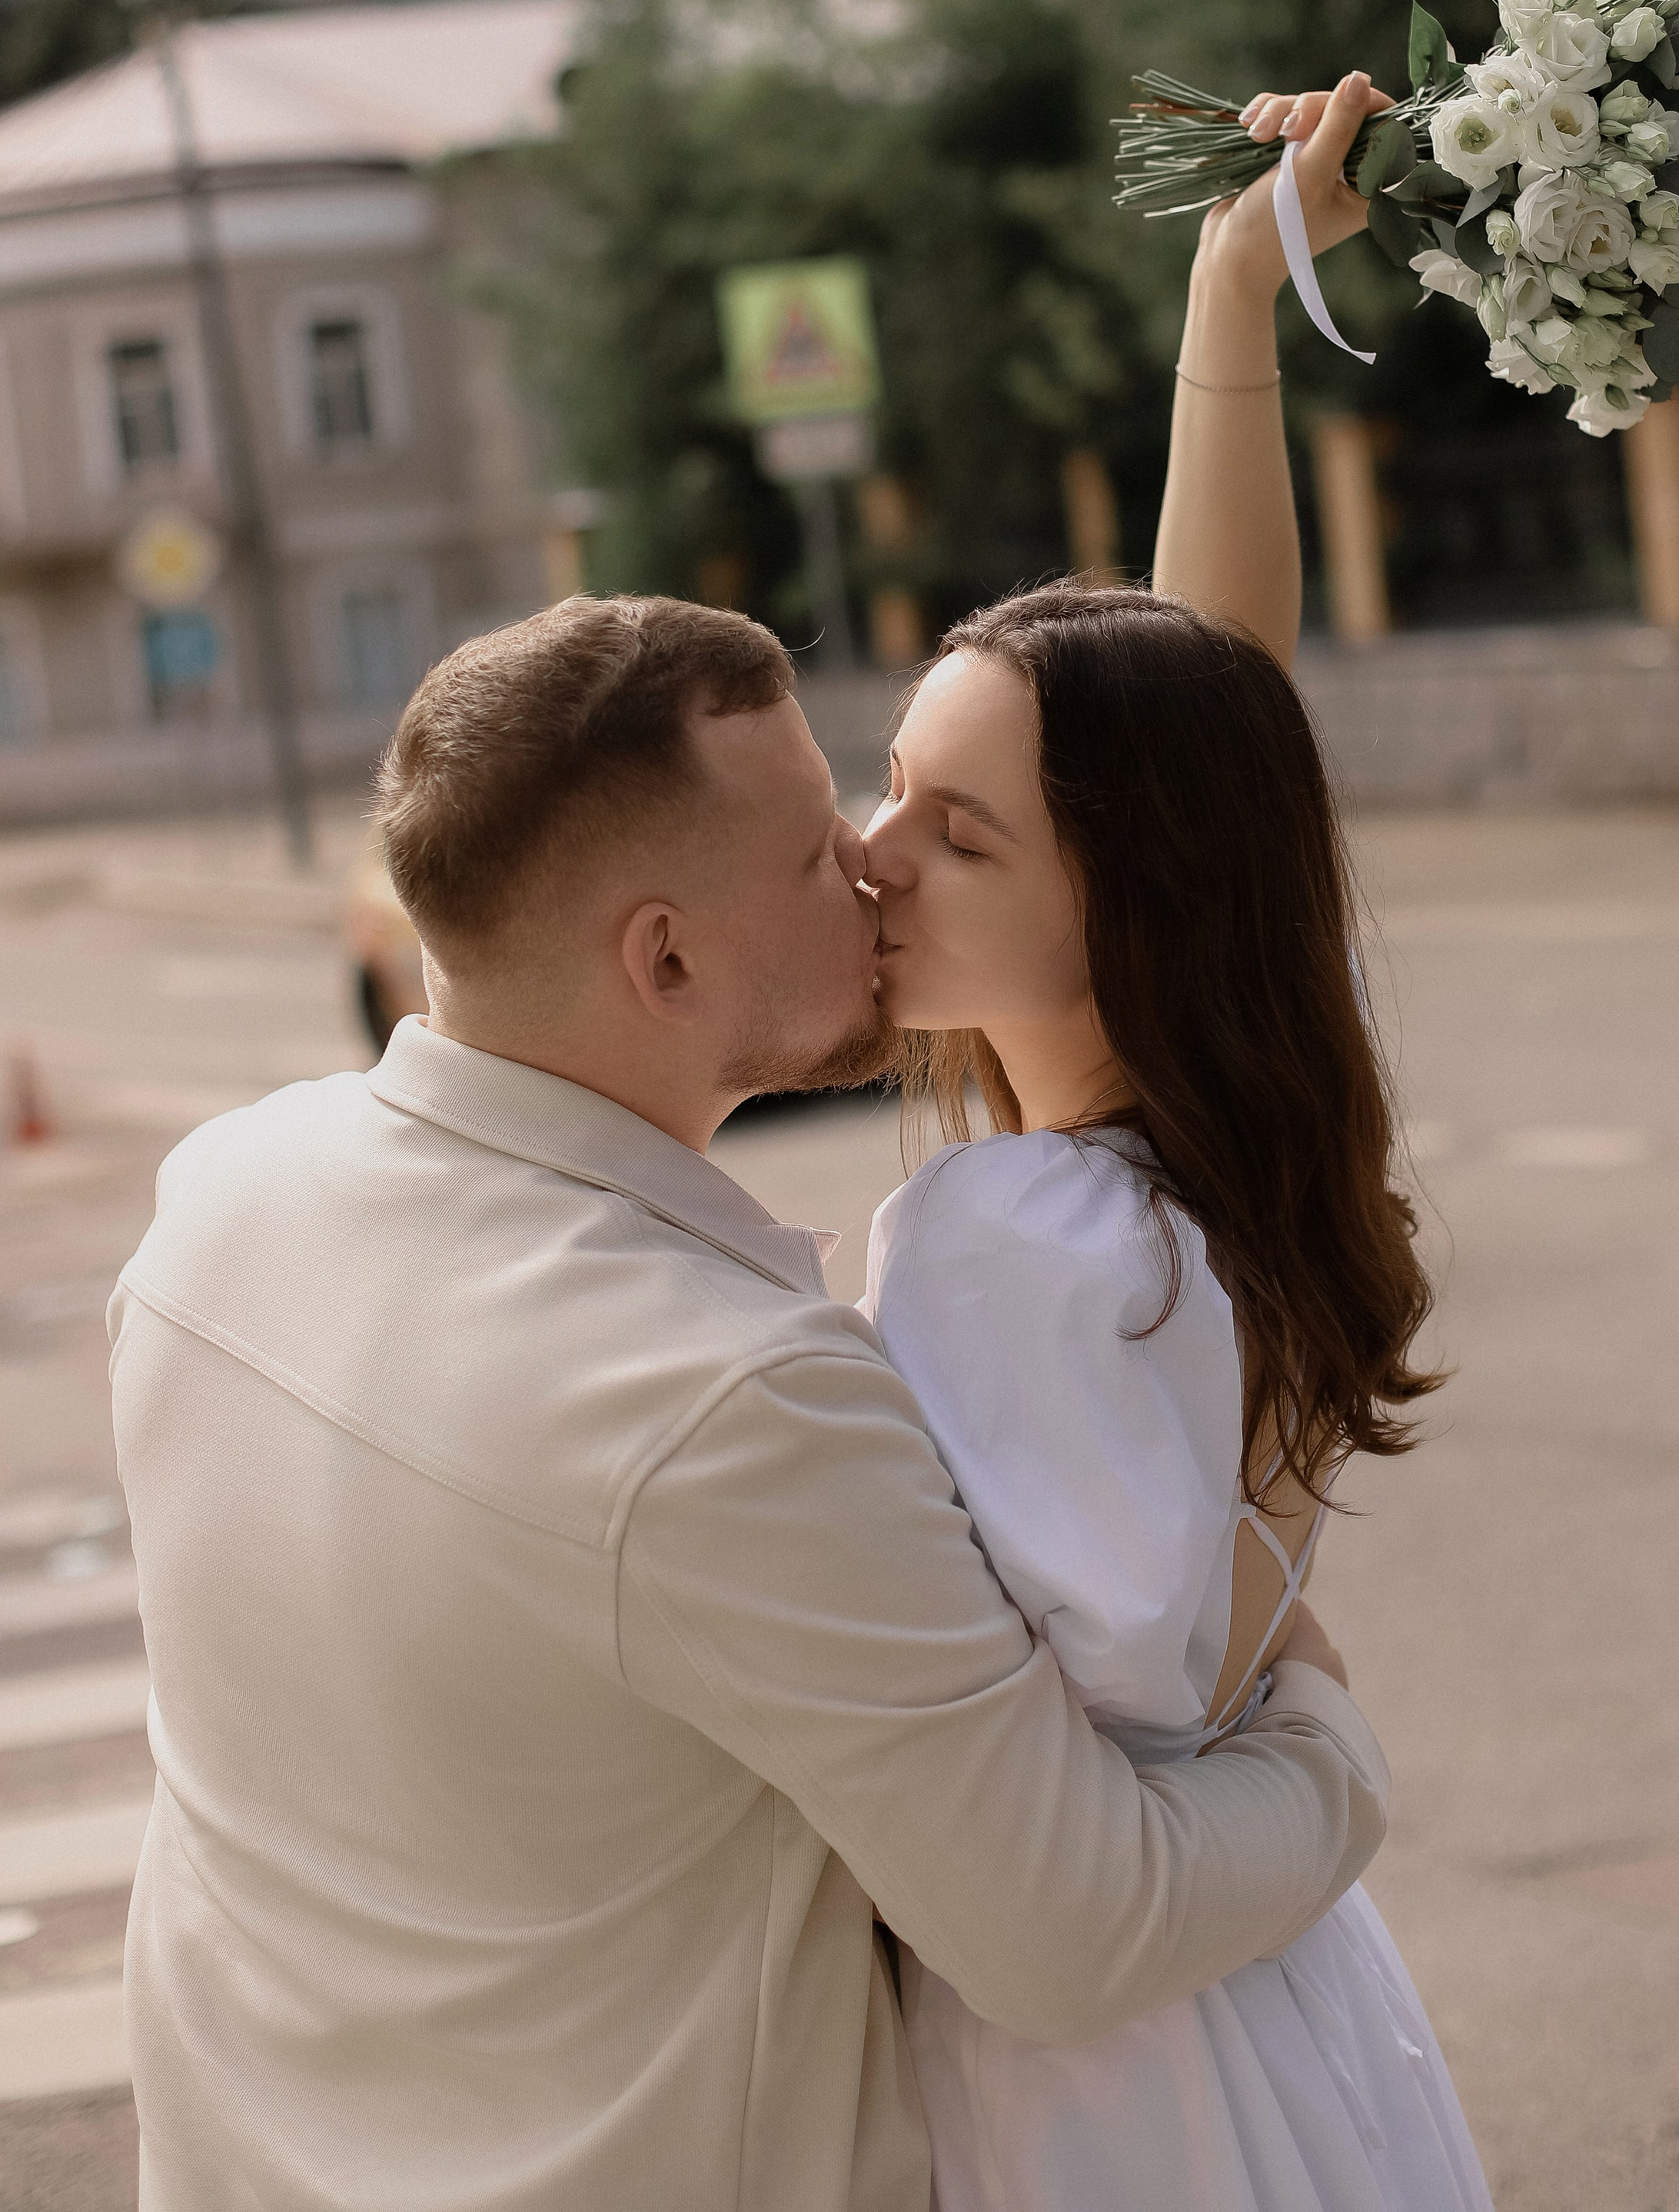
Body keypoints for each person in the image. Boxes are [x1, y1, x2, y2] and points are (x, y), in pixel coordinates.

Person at [108, 587, 1389, 2208]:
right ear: (664, 954)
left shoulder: (218, 1196)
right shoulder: (729, 1404)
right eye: (811, 851)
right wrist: (1328, 1747)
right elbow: (1076, 1932)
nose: (869, 860)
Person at [855, 71, 1496, 2210]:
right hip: (1270, 1992)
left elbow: (1075, 1704)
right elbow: (1214, 688)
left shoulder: (1020, 1237)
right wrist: (1244, 272)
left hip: (1101, 2064)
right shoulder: (1218, 1158)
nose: (869, 859)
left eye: (951, 833)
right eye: (885, 785)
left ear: (1126, 897)